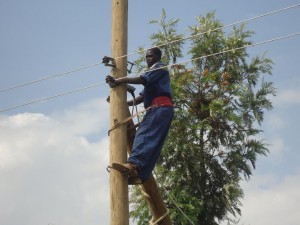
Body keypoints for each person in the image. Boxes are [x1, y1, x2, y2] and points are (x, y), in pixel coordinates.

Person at [106, 47, 174, 185]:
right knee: (154, 142)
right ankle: (139, 175)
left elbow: (142, 79)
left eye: (150, 56)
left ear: (157, 57)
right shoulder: (154, 76)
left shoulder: (159, 68)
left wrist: (118, 80)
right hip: (161, 109)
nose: (147, 59)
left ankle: (133, 165)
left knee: (143, 135)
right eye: (146, 57)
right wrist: (120, 103)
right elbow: (141, 98)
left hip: (159, 108)